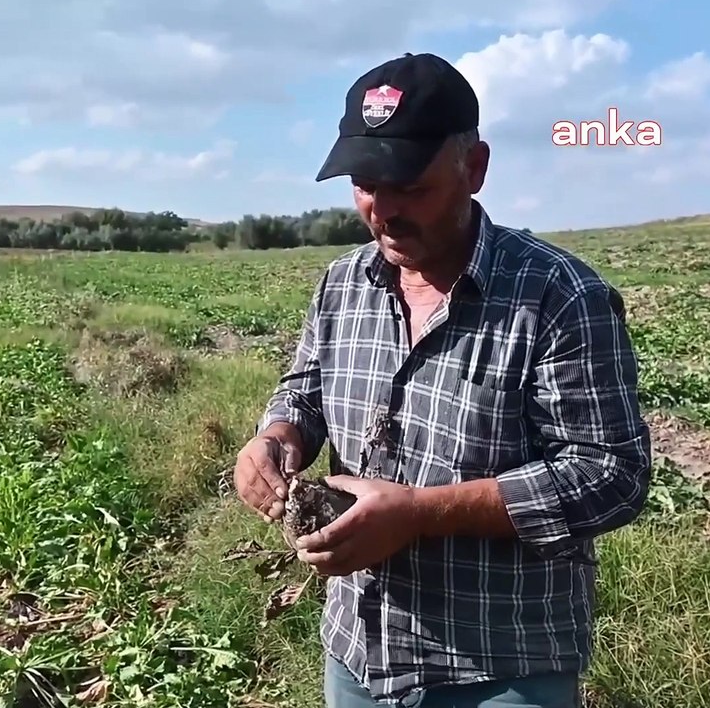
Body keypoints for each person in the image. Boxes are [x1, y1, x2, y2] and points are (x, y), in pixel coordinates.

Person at [233, 52, 652, 708]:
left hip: (501, 669)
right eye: (365, 184)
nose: (383, 210)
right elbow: (306, 387)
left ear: (474, 168)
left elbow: (611, 474)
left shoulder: (558, 296)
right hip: (358, 649)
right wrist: (278, 434)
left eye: (410, 186)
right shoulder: (343, 283)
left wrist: (421, 515)